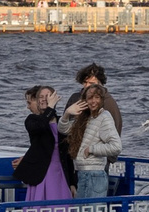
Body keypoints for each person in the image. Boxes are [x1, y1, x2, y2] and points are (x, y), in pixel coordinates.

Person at [61, 64, 122, 199]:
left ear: (101, 84)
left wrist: (93, 150)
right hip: (76, 164)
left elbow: (115, 138)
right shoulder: (75, 99)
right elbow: (65, 132)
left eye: (92, 82)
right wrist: (66, 115)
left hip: (97, 167)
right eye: (85, 82)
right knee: (80, 211)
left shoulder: (108, 104)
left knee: (93, 211)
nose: (88, 86)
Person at [14, 86, 77, 202]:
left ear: (54, 98)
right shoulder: (32, 120)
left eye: (47, 96)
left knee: (62, 209)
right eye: (40, 97)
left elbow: (68, 156)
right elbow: (41, 126)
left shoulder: (61, 122)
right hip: (42, 173)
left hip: (60, 173)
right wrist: (50, 108)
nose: (43, 99)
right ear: (37, 101)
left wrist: (72, 183)